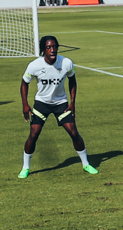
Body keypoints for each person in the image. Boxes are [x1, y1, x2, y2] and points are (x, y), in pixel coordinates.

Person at [18, 35, 97, 179]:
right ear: (44, 50)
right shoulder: (34, 65)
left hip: (61, 103)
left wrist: (73, 102)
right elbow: (24, 83)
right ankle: (25, 167)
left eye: (55, 47)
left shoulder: (66, 63)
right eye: (49, 47)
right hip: (41, 104)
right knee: (34, 135)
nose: (52, 50)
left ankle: (86, 163)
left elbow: (72, 81)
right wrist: (25, 104)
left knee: (73, 132)